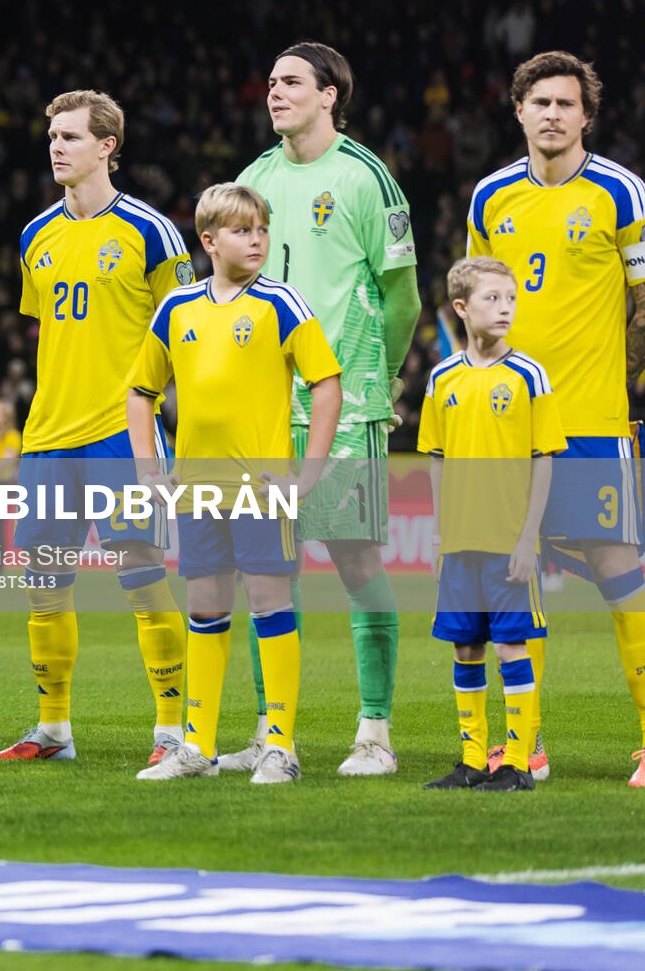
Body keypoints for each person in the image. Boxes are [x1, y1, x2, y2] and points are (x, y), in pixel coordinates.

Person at [467, 50, 645, 788]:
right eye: (539, 102)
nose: (551, 114)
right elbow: (476, 306)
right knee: (513, 584)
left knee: (621, 574)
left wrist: (610, 381)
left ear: (586, 116)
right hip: (505, 429)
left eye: (565, 104)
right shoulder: (490, 198)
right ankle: (525, 744)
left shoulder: (621, 191)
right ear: (518, 111)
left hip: (592, 424)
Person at [234, 44, 419, 777]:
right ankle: (269, 731)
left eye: (291, 83)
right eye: (271, 82)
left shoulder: (365, 177)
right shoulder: (255, 178)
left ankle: (374, 732)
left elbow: (400, 292)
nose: (275, 93)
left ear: (330, 94)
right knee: (264, 571)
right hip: (260, 409)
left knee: (354, 560)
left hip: (341, 405)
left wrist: (384, 374)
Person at [0, 90, 192, 767]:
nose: (56, 146)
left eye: (71, 136)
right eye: (52, 135)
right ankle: (53, 731)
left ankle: (173, 731)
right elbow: (50, 331)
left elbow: (186, 336)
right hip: (48, 436)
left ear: (108, 146)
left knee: (140, 571)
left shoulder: (151, 230)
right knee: (44, 580)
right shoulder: (35, 236)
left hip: (120, 432)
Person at [133, 185, 341, 784]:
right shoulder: (176, 308)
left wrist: (306, 475)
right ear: (209, 240)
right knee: (205, 610)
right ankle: (196, 747)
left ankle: (279, 744)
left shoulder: (281, 303)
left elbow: (325, 385)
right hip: (198, 489)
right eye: (243, 230)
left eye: (262, 230)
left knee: (271, 606)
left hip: (261, 490)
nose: (257, 240)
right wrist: (151, 470)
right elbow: (140, 392)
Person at [418, 256, 563, 792]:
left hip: (509, 542)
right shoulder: (442, 378)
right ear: (461, 308)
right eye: (492, 298)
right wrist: (438, 534)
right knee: (466, 648)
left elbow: (543, 457)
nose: (505, 308)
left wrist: (529, 538)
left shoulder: (528, 374)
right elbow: (435, 456)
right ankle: (473, 759)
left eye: (510, 299)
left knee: (510, 648)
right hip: (460, 542)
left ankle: (518, 763)